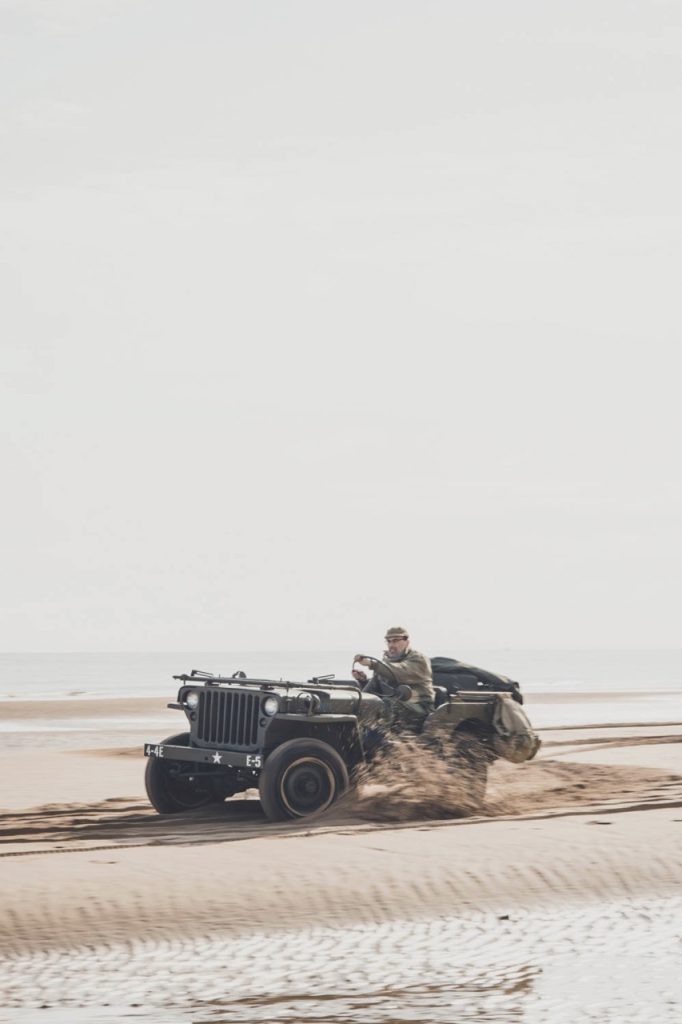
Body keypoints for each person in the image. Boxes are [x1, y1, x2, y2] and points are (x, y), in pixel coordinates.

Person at [353, 626, 435, 733]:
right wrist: (363, 682)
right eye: (388, 641)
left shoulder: (419, 659)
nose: (391, 645)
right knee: (361, 702)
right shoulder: (387, 661)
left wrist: (372, 664)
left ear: (406, 642)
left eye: (395, 641)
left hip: (419, 708)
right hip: (398, 706)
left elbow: (399, 671)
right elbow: (375, 686)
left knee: (386, 704)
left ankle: (381, 743)